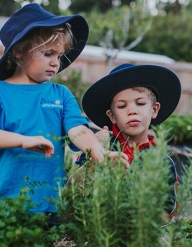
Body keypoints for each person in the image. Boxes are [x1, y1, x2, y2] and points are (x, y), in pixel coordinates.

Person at [0, 3, 127, 220]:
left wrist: (96, 149)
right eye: (48, 53)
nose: (55, 63)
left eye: (59, 56)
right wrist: (21, 140)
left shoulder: (61, 93)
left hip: (48, 204)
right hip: (0, 201)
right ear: (19, 52)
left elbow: (77, 128)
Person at [75, 63, 181, 216]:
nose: (132, 111)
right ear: (111, 116)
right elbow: (72, 191)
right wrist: (96, 155)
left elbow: (168, 213)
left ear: (154, 109)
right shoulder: (97, 147)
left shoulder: (162, 162)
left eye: (140, 103)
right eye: (122, 106)